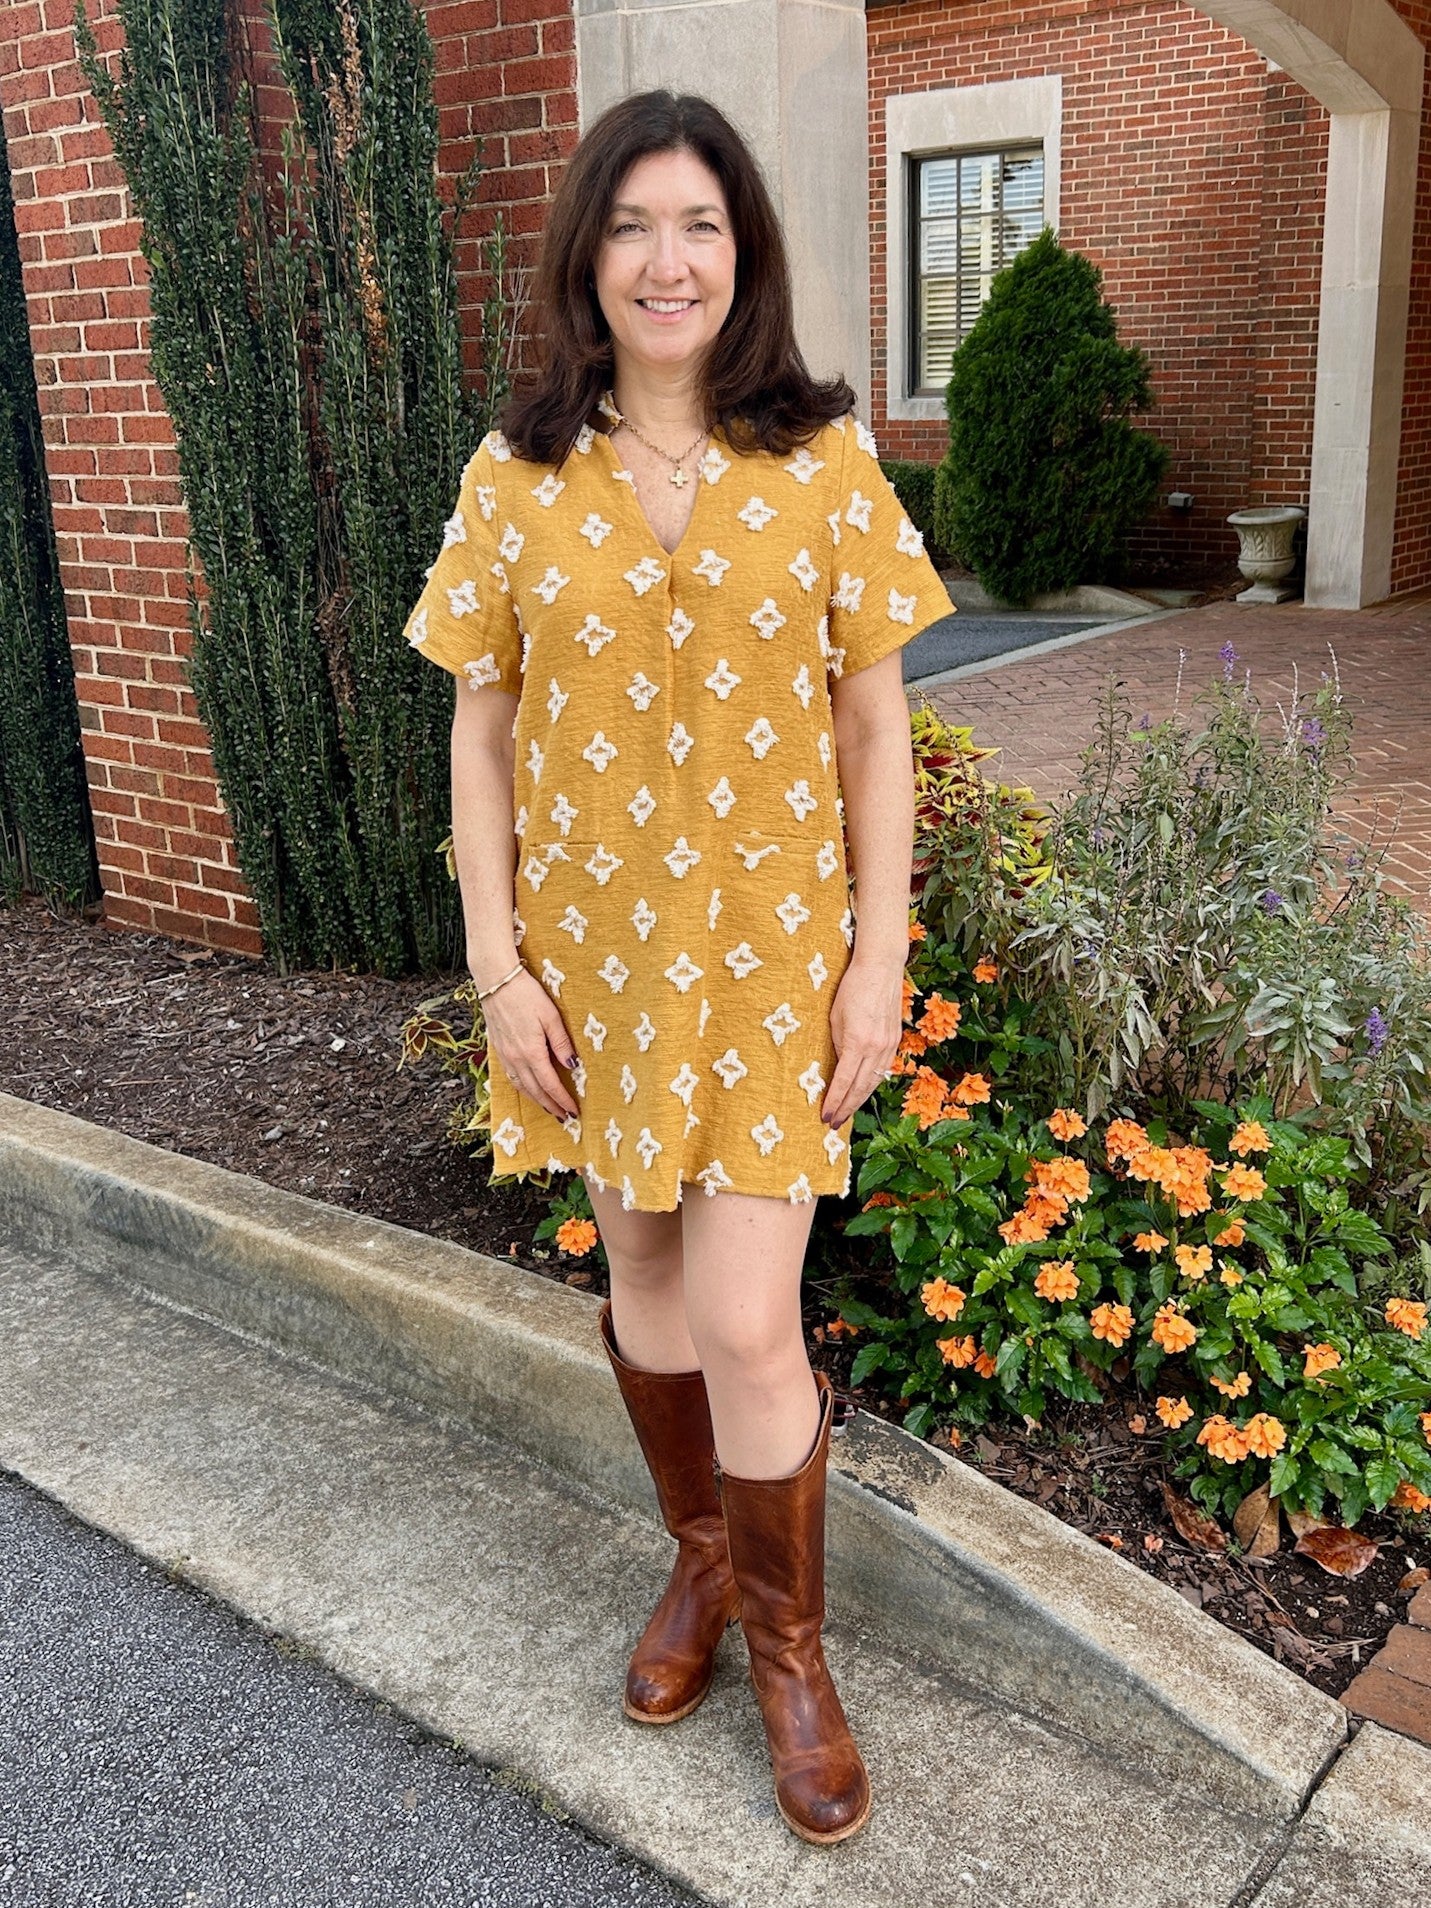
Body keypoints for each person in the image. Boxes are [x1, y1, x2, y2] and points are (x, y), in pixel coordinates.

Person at [402, 88, 953, 1846]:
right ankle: (704, 1566)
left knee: (740, 1313)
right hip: (587, 979)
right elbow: (480, 738)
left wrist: (881, 965)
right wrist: (498, 966)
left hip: (772, 966)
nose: (667, 258)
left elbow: (877, 733)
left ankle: (792, 1652)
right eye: (634, 224)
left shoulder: (824, 465)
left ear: (743, 254)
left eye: (700, 225)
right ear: (590, 253)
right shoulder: (515, 477)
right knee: (640, 1269)